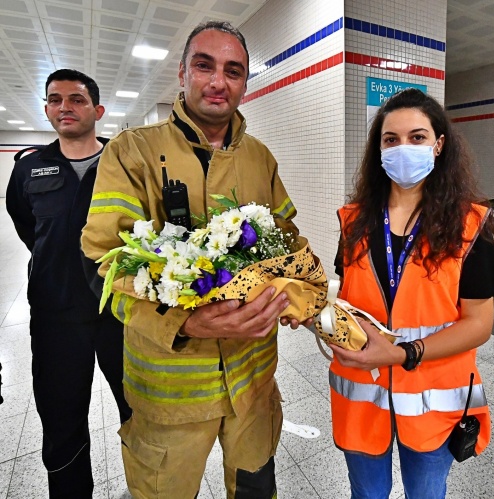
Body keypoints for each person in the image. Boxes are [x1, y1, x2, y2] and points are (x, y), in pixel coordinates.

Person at [81, 21, 303, 499]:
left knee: (255, 488)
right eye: (204, 65)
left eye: (233, 70)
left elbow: (290, 244)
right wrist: (180, 323)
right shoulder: (132, 151)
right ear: (183, 72)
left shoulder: (260, 158)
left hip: (253, 381)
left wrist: (303, 298)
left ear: (246, 82)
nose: (218, 81)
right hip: (171, 391)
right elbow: (103, 260)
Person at [329, 88, 494, 499]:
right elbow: (348, 298)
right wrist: (321, 315)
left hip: (433, 404)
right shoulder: (353, 221)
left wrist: (403, 353)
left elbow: (479, 323)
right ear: (378, 149)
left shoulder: (468, 225)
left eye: (417, 137)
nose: (403, 148)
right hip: (363, 395)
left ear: (438, 145)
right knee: (366, 494)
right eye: (391, 140)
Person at [6, 69, 132, 498]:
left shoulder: (125, 164)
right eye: (55, 99)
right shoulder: (29, 169)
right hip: (55, 316)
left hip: (121, 313)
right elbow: (28, 228)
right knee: (62, 422)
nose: (65, 107)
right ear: (46, 109)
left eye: (76, 99)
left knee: (141, 413)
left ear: (97, 110)